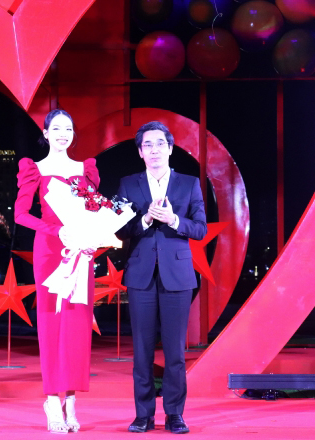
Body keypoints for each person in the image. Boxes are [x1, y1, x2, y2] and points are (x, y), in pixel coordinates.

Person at [116, 121, 207, 434]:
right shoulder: (128, 184)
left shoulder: (188, 183)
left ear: (170, 148)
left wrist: (173, 220)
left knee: (175, 352)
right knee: (141, 351)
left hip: (178, 276)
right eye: (147, 146)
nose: (154, 150)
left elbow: (200, 228)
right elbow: (120, 229)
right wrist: (144, 218)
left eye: (159, 144)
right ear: (141, 153)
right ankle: (143, 415)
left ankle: (174, 414)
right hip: (141, 275)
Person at [14, 109, 98, 433]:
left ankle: (72, 402)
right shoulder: (34, 169)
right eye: (57, 129)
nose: (63, 134)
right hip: (49, 251)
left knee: (77, 324)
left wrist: (94, 236)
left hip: (80, 252)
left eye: (69, 129)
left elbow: (93, 210)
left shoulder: (85, 169)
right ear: (46, 133)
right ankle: (52, 401)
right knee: (51, 326)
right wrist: (53, 230)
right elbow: (21, 214)